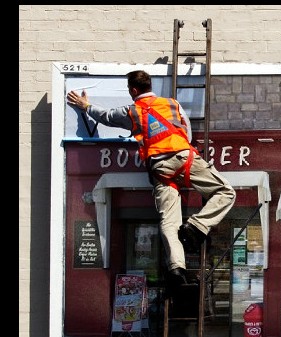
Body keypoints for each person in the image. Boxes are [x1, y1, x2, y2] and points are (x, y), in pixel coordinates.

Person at [67, 70, 236, 290]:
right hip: (184, 157)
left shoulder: (132, 111)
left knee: (169, 221)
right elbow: (188, 131)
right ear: (149, 86)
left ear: (133, 90)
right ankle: (196, 226)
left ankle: (176, 268)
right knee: (226, 192)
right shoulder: (172, 104)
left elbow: (106, 117)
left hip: (160, 168)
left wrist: (86, 106)